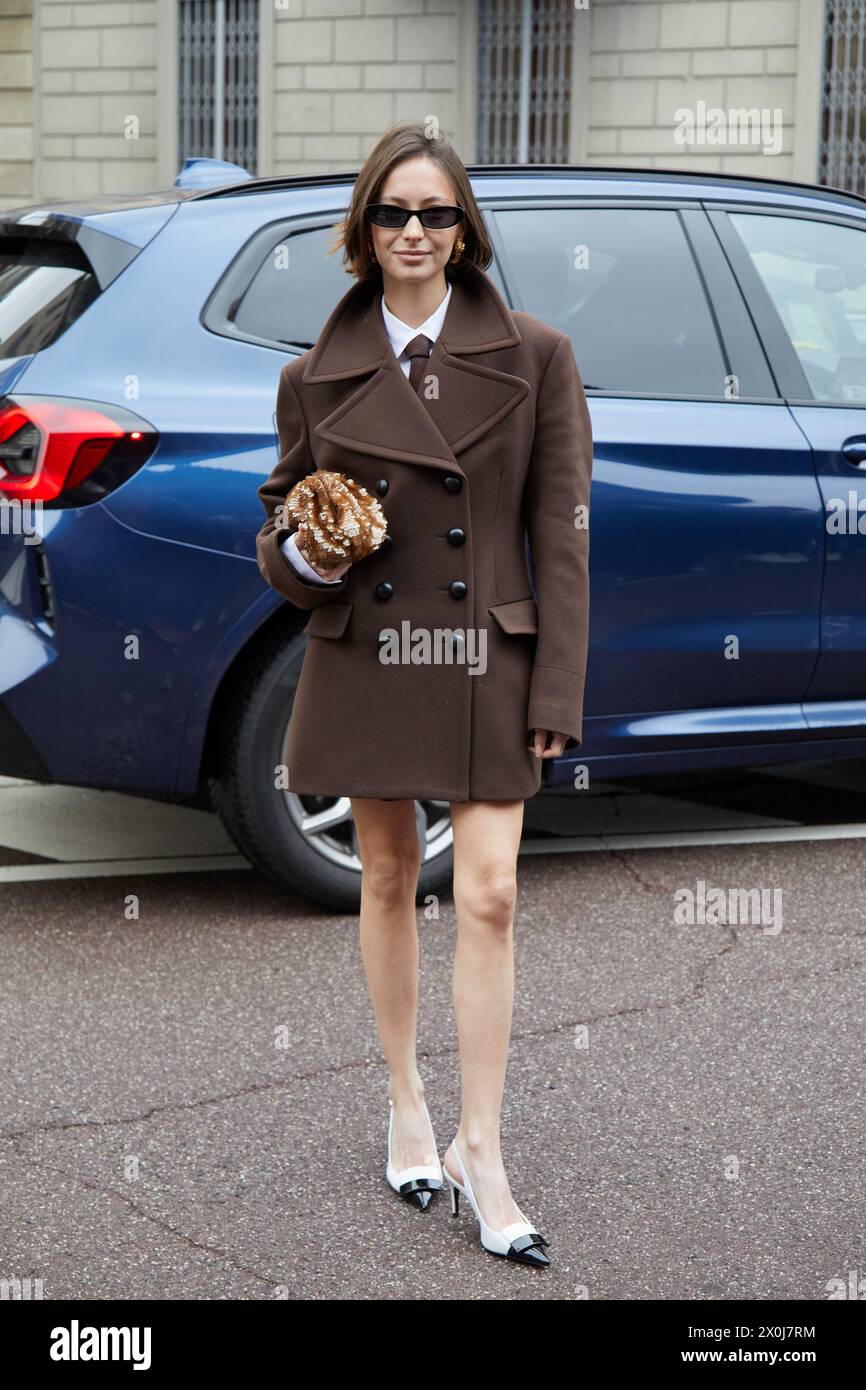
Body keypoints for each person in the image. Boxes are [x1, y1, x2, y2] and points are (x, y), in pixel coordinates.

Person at [255, 121, 593, 1267]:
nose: (413, 231)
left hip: (488, 657)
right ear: (364, 230)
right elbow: (279, 528)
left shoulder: (537, 355)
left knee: (489, 891)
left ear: (463, 231)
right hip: (367, 656)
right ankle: (405, 1098)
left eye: (434, 214)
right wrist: (312, 554)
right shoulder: (314, 375)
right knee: (390, 871)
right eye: (392, 213)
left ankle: (482, 1145)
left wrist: (558, 679)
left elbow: (561, 532)